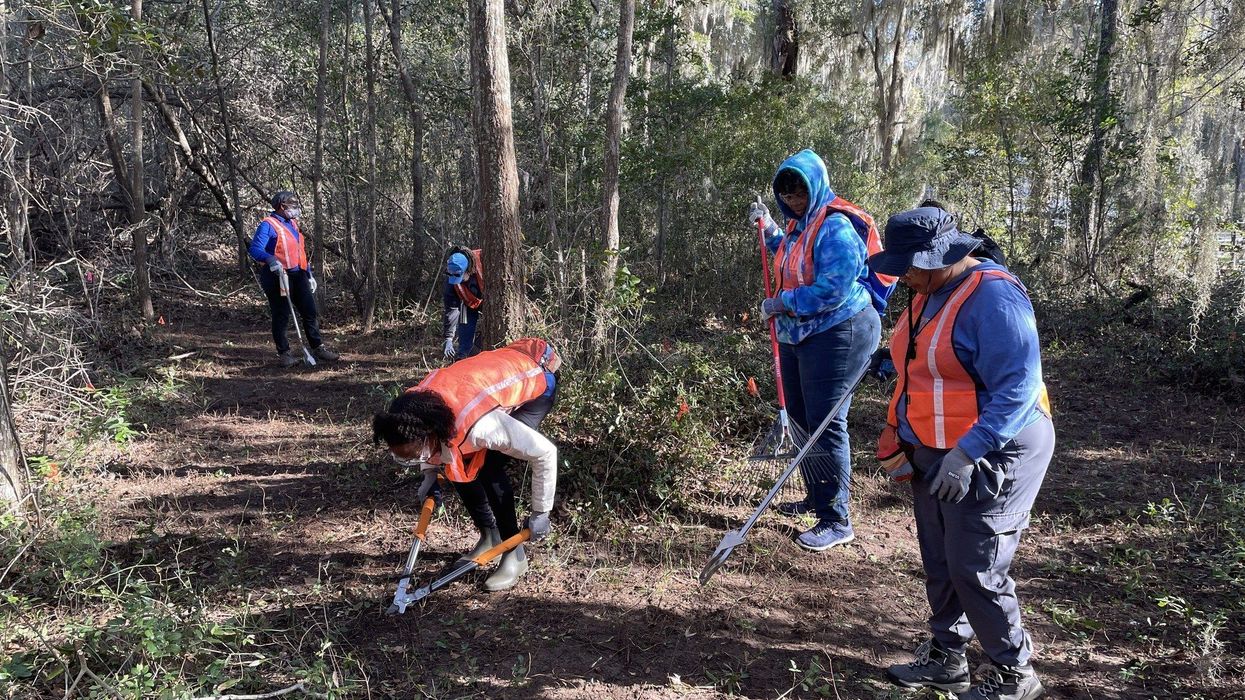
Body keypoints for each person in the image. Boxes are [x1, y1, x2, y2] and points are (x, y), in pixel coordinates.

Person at [868, 206, 1053, 700]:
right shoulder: (926, 291)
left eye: (911, 264)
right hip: (934, 444)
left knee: (976, 563)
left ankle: (1016, 676)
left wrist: (968, 452)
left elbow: (1018, 386)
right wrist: (890, 371)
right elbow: (931, 361)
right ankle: (947, 659)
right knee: (940, 556)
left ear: (943, 256)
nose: (903, 274)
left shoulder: (993, 296)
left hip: (998, 447)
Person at [746, 149, 883, 551]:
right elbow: (788, 256)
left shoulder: (835, 226)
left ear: (816, 185)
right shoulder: (796, 227)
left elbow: (832, 288)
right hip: (801, 334)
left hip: (842, 330)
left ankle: (836, 518)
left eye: (799, 191)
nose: (792, 199)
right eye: (785, 193)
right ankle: (817, 495)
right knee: (802, 417)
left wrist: (783, 303)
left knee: (825, 422)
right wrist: (769, 227)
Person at [372, 338, 560, 591]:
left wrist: (541, 513)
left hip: (537, 378)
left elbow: (545, 453)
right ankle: (489, 536)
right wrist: (428, 474)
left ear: (431, 434)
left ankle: (515, 554)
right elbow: (432, 449)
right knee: (456, 463)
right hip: (478, 388)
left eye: (415, 455)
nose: (417, 458)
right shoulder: (411, 409)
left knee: (489, 467)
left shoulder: (479, 427)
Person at [248, 191, 339, 367]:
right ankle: (284, 353)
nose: (296, 208)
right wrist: (270, 260)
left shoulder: (293, 225)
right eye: (293, 205)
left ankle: (318, 347)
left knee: (309, 311)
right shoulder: (268, 225)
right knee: (281, 314)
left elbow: (299, 253)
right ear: (282, 206)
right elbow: (255, 249)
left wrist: (309, 274)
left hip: (298, 275)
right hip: (277, 276)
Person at [443, 248, 484, 361]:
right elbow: (451, 309)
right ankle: (463, 357)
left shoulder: (483, 261)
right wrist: (449, 339)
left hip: (489, 302)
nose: (458, 281)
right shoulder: (450, 280)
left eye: (460, 277)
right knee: (465, 324)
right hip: (469, 303)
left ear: (469, 270)